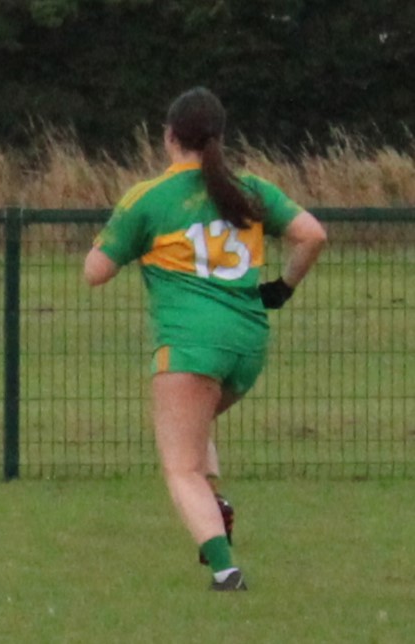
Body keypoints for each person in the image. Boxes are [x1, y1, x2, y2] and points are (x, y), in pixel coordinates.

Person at [83, 87, 326, 591]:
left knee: (180, 468)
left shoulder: (150, 197)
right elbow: (312, 234)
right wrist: (282, 287)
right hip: (247, 345)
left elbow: (95, 272)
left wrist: (121, 237)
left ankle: (225, 570)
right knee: (194, 429)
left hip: (191, 345)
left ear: (169, 136)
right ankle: (215, 507)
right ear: (220, 137)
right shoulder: (250, 188)